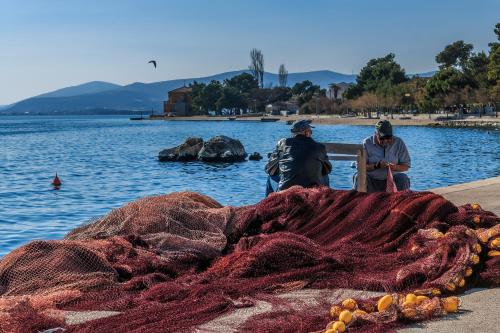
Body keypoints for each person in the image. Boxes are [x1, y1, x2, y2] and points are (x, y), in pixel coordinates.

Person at [265, 120, 332, 196]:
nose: (311, 133)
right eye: (310, 131)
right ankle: (325, 198)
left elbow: (269, 169)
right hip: (312, 189)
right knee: (325, 175)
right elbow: (328, 169)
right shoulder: (320, 147)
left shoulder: (284, 144)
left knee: (270, 176)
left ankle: (269, 201)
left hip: (285, 189)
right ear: (306, 133)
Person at [354, 120, 411, 193]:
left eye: (388, 137)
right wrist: (376, 166)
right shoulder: (366, 143)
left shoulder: (399, 142)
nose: (386, 140)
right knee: (358, 177)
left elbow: (406, 166)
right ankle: (358, 202)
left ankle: (403, 203)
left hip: (393, 181)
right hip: (372, 182)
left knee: (403, 178)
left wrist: (394, 167)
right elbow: (359, 167)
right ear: (376, 134)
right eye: (382, 138)